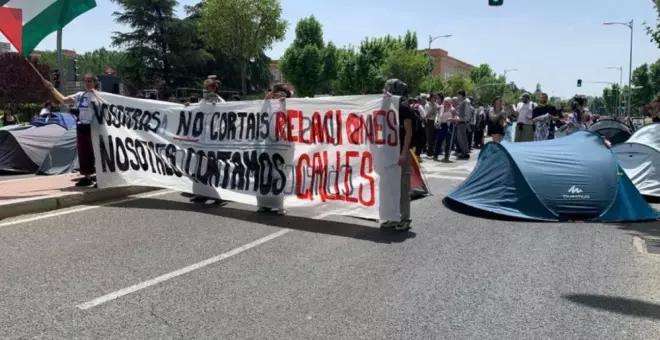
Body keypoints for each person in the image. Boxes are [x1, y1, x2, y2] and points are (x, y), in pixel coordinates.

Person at [43, 73, 98, 187]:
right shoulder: (80, 95)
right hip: (82, 126)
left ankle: (100, 176)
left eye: (90, 81)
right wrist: (52, 88)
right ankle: (87, 176)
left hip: (95, 127)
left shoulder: (99, 95)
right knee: (84, 152)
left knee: (96, 151)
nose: (87, 83)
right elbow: (63, 100)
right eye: (86, 81)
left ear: (95, 82)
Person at [380, 78, 413, 231]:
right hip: (389, 153)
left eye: (387, 88)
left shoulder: (404, 108)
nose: (384, 90)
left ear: (394, 90)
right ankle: (393, 217)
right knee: (390, 186)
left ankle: (405, 219)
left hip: (401, 153)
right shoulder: (387, 106)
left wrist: (404, 153)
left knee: (403, 187)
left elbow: (408, 133)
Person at [188, 77, 225, 204]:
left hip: (213, 142)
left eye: (207, 87)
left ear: (214, 88)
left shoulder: (221, 102)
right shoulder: (201, 102)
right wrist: (187, 107)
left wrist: (216, 107)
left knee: (211, 169)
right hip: (200, 141)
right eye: (204, 87)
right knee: (197, 167)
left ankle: (218, 196)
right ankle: (200, 194)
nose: (205, 90)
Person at [257, 83, 292, 215]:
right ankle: (264, 204)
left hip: (284, 146)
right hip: (269, 145)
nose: (277, 95)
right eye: (275, 93)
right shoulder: (269, 105)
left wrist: (284, 104)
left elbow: (290, 120)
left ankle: (280, 205)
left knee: (280, 175)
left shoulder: (290, 104)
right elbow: (261, 117)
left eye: (280, 93)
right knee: (266, 174)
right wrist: (266, 101)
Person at [454, 90, 471, 159]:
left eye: (459, 95)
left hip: (462, 123)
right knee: (460, 138)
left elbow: (467, 115)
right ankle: (464, 152)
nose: (458, 97)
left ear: (461, 95)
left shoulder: (466, 102)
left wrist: (460, 119)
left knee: (462, 138)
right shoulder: (462, 102)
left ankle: (465, 153)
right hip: (460, 123)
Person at [423, 93, 439, 157]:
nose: (434, 99)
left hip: (436, 121)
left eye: (435, 98)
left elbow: (437, 113)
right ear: (431, 98)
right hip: (429, 122)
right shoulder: (427, 105)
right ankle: (429, 152)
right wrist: (432, 109)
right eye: (433, 98)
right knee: (430, 138)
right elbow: (426, 116)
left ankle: (433, 151)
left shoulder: (436, 105)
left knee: (435, 137)